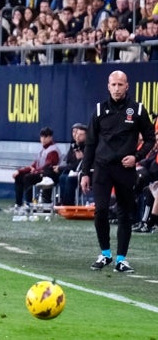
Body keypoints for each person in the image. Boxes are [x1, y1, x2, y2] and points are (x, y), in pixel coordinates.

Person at [81, 70, 155, 273]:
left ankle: (121, 259)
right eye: (113, 84)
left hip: (125, 169)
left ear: (127, 86)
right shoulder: (98, 110)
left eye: (120, 85)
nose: (116, 88)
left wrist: (137, 158)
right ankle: (105, 253)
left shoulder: (138, 110)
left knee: (125, 213)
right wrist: (85, 172)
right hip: (102, 168)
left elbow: (150, 139)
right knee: (101, 211)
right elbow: (90, 143)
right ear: (108, 86)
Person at [12, 127, 60, 212]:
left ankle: (28, 204)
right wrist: (19, 171)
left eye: (46, 137)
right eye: (42, 137)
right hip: (39, 173)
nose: (43, 139)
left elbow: (49, 165)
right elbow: (34, 165)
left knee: (28, 177)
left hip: (49, 176)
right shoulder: (42, 150)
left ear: (50, 137)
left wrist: (36, 171)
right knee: (19, 176)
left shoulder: (53, 150)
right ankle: (18, 204)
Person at [53, 123, 87, 206]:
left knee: (69, 179)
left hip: (83, 172)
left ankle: (69, 203)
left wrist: (81, 157)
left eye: (78, 134)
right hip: (72, 170)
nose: (75, 135)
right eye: (74, 133)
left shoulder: (87, 146)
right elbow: (69, 160)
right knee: (62, 177)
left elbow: (79, 163)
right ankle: (62, 200)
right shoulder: (73, 145)